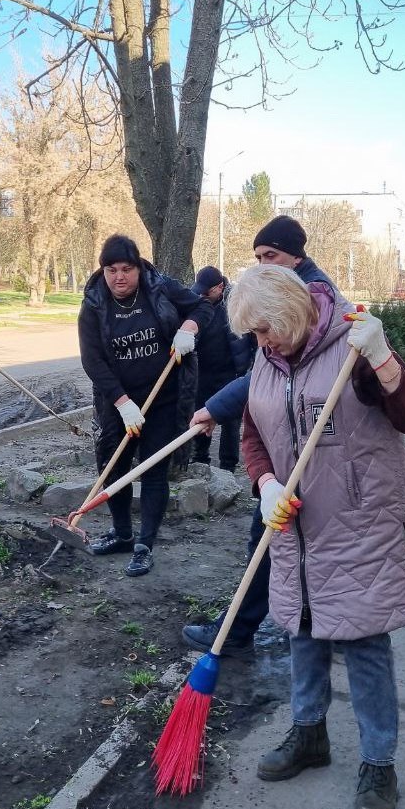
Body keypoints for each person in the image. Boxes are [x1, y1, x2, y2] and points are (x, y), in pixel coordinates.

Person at [229, 263, 405, 809]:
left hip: (359, 527)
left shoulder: (352, 345)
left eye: (266, 330)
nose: (261, 342)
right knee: (301, 631)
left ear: (293, 314)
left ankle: (378, 765)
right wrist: (265, 484)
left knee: (364, 643)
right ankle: (310, 733)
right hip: (295, 528)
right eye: (253, 335)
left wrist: (384, 359)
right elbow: (253, 435)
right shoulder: (266, 360)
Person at [182, 215, 336, 654]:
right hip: (291, 441)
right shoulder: (288, 291)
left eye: (272, 256)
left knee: (271, 540)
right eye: (258, 258)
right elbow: (265, 373)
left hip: (305, 447)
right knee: (275, 538)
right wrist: (216, 409)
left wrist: (216, 406)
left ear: (296, 255)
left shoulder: (311, 295)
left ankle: (237, 632)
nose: (264, 265)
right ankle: (323, 623)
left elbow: (265, 375)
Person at [77, 234, 212, 577]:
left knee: (153, 471)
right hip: (117, 404)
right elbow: (93, 361)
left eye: (126, 269)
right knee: (113, 466)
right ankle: (122, 533)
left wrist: (189, 328)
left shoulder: (159, 287)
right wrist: (122, 403)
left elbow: (203, 305)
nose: (119, 277)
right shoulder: (94, 304)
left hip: (163, 401)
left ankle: (144, 545)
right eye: (111, 270)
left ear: (138, 267)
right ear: (102, 271)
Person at [190, 265, 255, 471]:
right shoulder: (198, 302)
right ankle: (200, 459)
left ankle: (228, 465)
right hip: (203, 371)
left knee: (231, 421)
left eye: (206, 291)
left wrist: (248, 365)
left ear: (219, 287)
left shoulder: (236, 302)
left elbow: (252, 337)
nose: (202, 295)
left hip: (230, 371)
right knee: (200, 413)